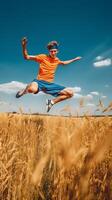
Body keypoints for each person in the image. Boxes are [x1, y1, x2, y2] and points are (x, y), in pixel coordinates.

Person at [16, 38, 82, 112]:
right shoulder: (43, 57)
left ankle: (51, 102)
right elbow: (26, 57)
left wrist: (74, 59)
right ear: (49, 51)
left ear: (57, 51)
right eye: (51, 51)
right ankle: (24, 91)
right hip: (39, 82)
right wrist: (24, 46)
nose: (53, 53)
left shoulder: (57, 60)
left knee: (70, 93)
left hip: (49, 84)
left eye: (55, 51)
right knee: (32, 89)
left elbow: (64, 63)